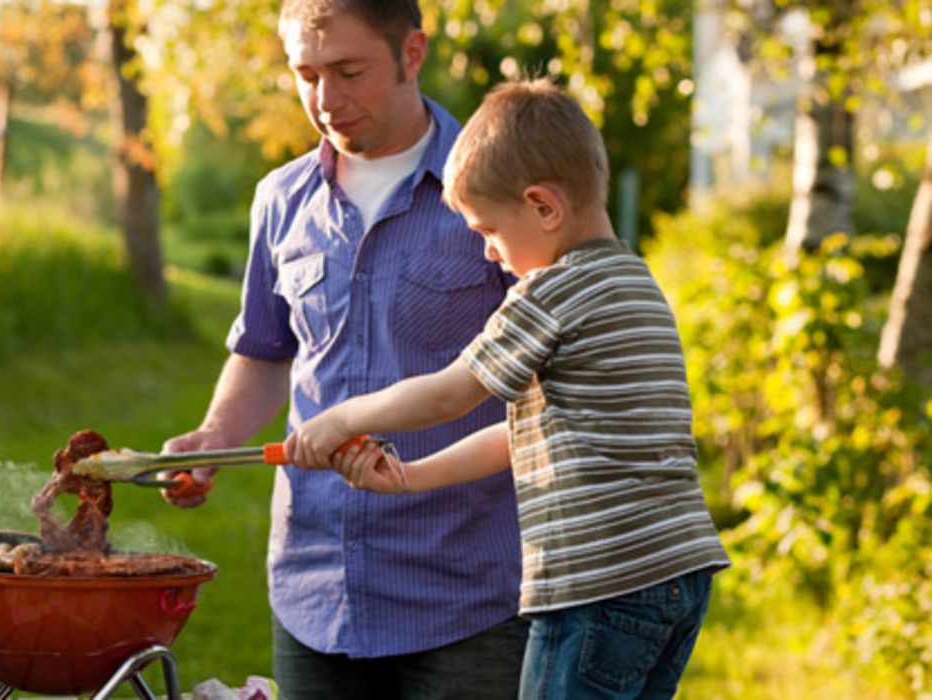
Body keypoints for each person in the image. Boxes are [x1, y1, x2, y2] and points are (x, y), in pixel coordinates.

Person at [286, 78, 732, 697]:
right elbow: (523, 432)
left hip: (595, 584)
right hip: (675, 577)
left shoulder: (550, 293)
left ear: (544, 208)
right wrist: (413, 476)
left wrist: (339, 418)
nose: (491, 254)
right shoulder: (634, 282)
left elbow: (450, 393)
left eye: (490, 231)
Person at [159, 1, 527, 698]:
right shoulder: (280, 198)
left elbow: (549, 374)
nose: (325, 99)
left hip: (466, 593)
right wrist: (214, 436)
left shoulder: (496, 190)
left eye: (348, 71)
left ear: (411, 53)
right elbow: (266, 349)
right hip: (314, 589)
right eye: (306, 74)